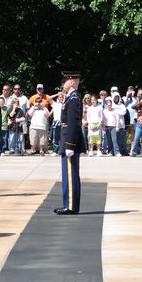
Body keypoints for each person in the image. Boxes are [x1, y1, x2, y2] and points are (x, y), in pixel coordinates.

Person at [54, 71, 85, 215]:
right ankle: (68, 204)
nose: (63, 84)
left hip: (69, 140)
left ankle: (71, 206)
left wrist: (70, 145)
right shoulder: (71, 97)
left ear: (72, 81)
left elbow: (73, 122)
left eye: (65, 81)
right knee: (68, 175)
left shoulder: (73, 98)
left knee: (70, 175)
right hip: (66, 138)